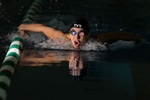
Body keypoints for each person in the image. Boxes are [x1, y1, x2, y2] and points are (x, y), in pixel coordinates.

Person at [18, 17, 142, 49]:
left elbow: (117, 35)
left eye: (81, 34)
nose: (76, 37)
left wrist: (137, 38)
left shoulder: (98, 40)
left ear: (87, 35)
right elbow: (43, 28)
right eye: (73, 33)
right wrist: (22, 27)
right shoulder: (61, 38)